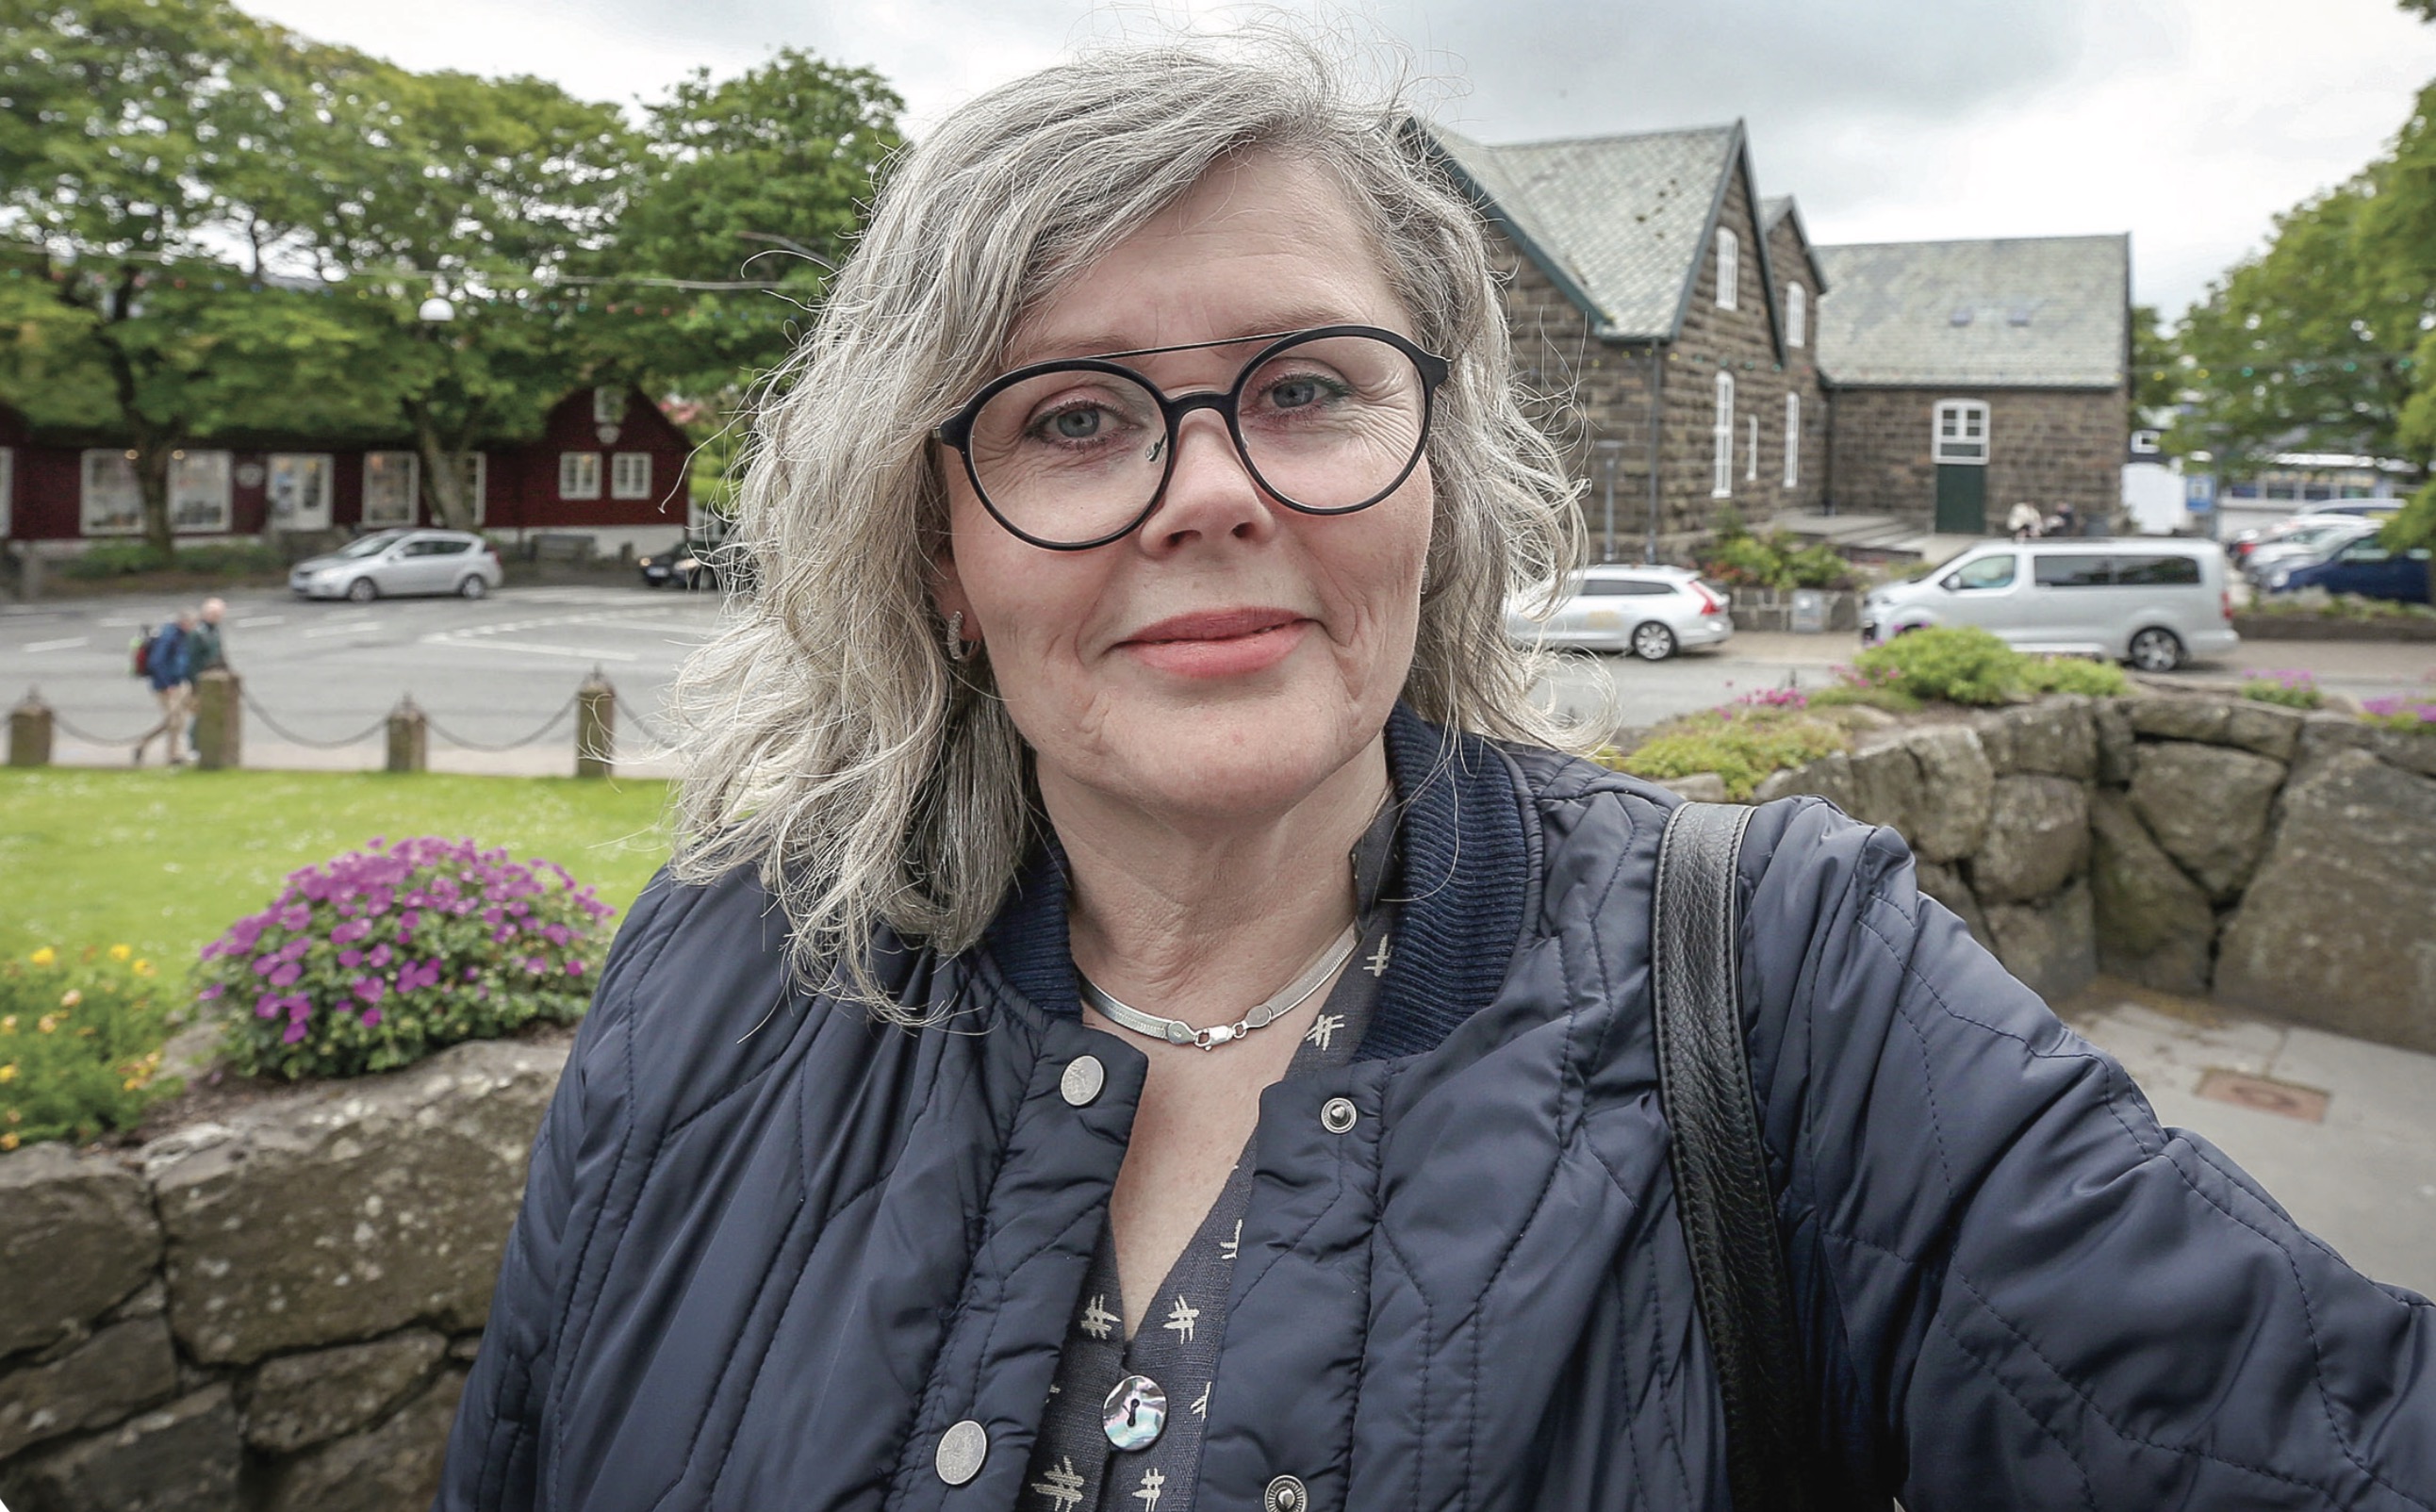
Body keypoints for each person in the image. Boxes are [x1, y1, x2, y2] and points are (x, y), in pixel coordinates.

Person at [438, 41, 2435, 1512]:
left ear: (1436, 484)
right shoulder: (718, 973)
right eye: (1068, 417)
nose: (1207, 491)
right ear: (933, 550)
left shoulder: (1785, 985)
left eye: (1304, 386)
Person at [132, 610, 194, 765]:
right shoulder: (168, 636)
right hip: (167, 686)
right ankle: (148, 745)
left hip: (179, 682)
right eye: (192, 624)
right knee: (173, 721)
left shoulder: (180, 635)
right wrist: (167, 684)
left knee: (178, 720)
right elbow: (156, 662)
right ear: (185, 623)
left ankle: (173, 754)